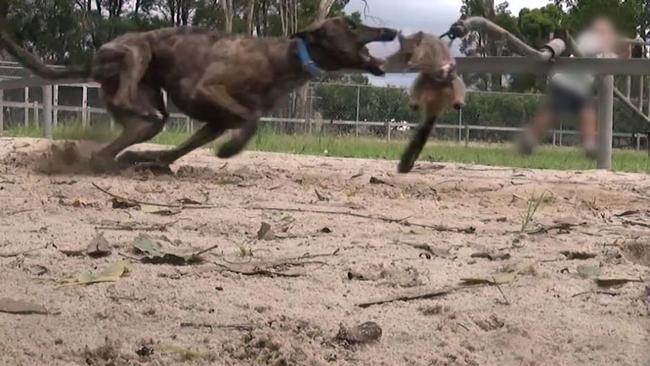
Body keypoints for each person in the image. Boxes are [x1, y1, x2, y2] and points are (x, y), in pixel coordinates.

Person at [518, 17, 630, 158]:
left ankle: (589, 144)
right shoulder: (587, 44)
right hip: (566, 83)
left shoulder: (607, 54)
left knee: (586, 113)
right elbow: (588, 54)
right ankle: (531, 138)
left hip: (579, 89)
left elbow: (611, 67)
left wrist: (626, 51)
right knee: (554, 112)